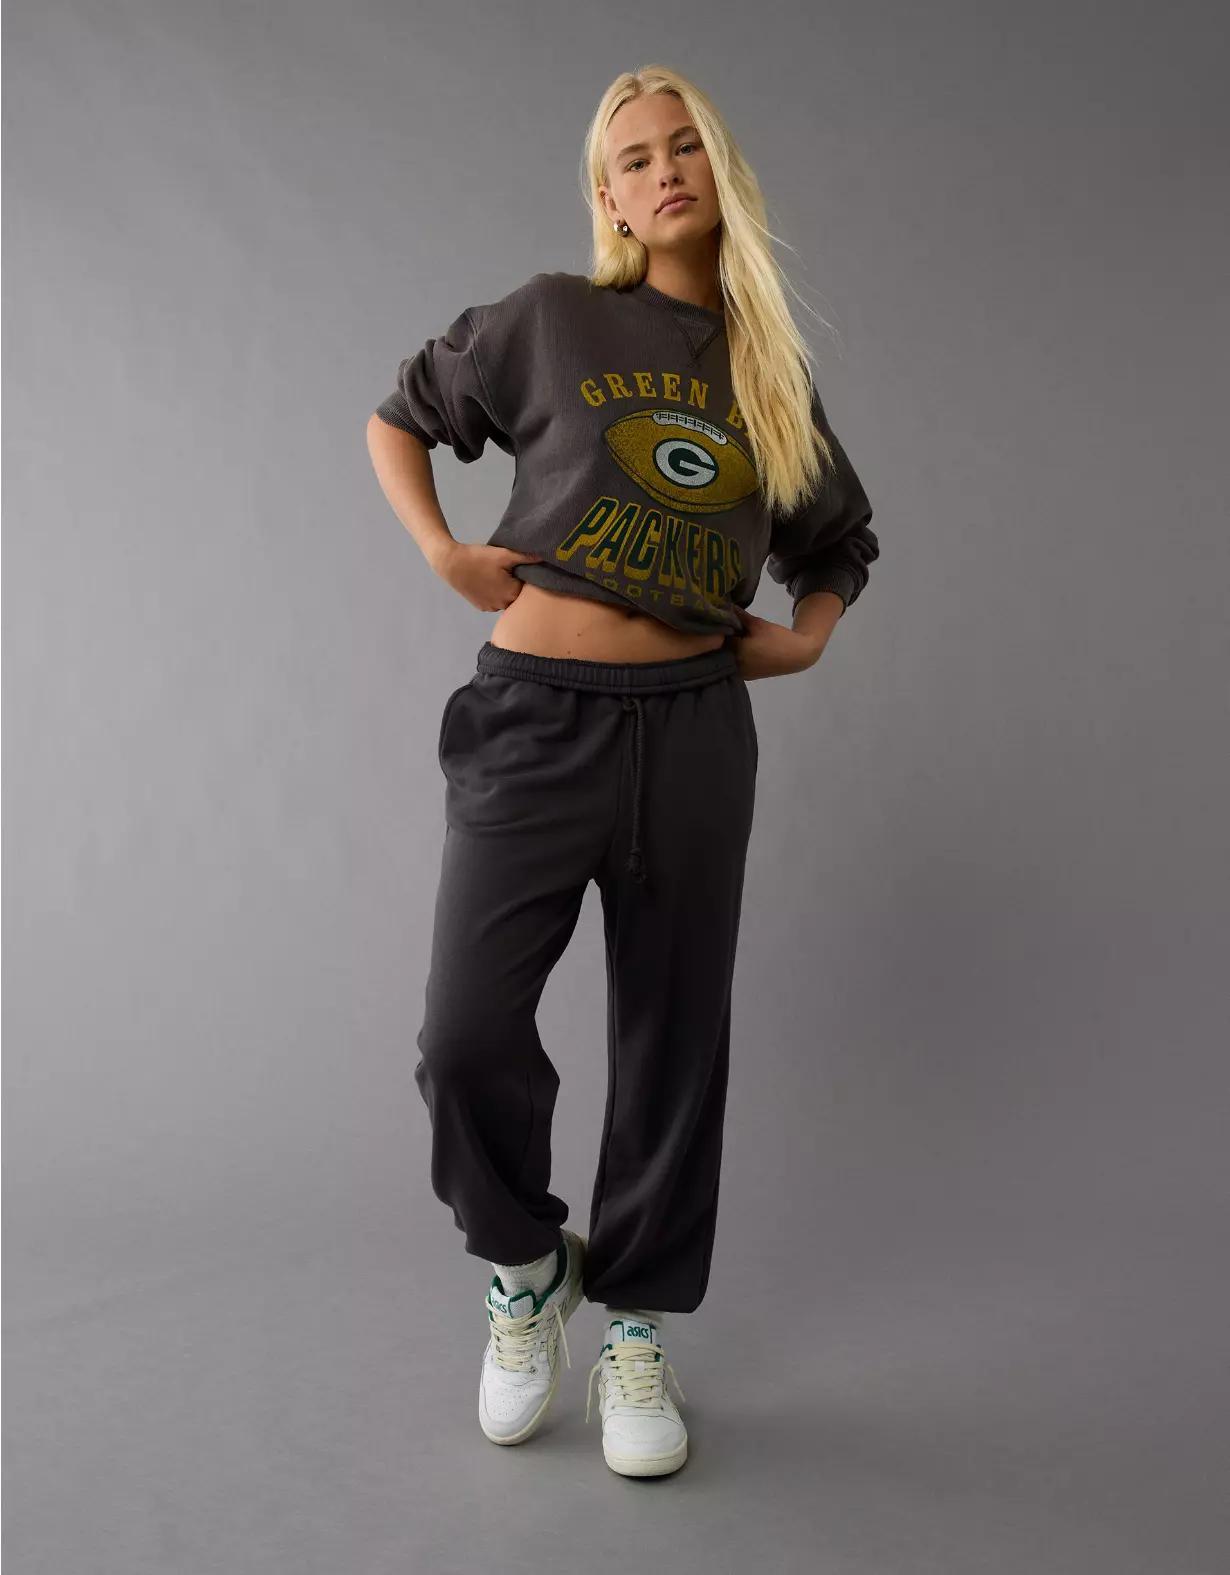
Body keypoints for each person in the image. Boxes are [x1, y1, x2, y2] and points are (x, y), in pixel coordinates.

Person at [366, 64, 880, 1480]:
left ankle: (639, 1324)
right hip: (536, 719)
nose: (663, 171)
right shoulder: (552, 317)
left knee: (672, 1038)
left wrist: (806, 638)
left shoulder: (766, 373)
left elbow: (837, 541)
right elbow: (401, 414)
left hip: (693, 733)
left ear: (719, 169)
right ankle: (528, 1268)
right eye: (633, 157)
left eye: (683, 146)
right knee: (464, 1033)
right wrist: (443, 550)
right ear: (606, 195)